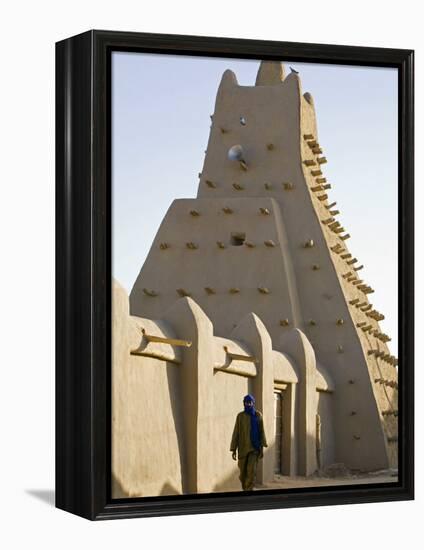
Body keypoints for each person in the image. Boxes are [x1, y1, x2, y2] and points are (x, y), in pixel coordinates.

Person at [230, 394, 268, 491]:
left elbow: (261, 431)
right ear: (244, 403)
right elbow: (236, 432)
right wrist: (234, 448)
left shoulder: (258, 415)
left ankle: (249, 490)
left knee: (251, 472)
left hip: (254, 449)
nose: (248, 404)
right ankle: (245, 489)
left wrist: (262, 447)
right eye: (246, 402)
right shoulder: (240, 416)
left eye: (250, 402)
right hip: (243, 449)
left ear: (253, 403)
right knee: (243, 474)